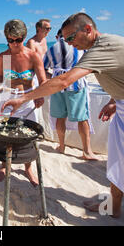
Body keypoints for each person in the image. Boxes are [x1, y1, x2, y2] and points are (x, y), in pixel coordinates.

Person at [2, 13, 124, 226]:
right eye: (65, 39)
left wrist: (24, 98)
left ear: (87, 29)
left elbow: (64, 81)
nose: (68, 43)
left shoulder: (101, 48)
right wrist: (115, 100)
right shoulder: (99, 47)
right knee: (118, 161)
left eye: (70, 38)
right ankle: (113, 206)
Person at [0, 19, 47, 185]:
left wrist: (41, 96)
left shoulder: (32, 56)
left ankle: (28, 168)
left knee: (28, 137)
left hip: (27, 99)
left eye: (17, 40)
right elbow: (2, 78)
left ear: (24, 37)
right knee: (6, 133)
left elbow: (43, 81)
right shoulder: (4, 56)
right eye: (10, 40)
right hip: (8, 98)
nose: (14, 44)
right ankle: (4, 164)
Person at [43, 29, 98, 160]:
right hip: (76, 83)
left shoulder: (52, 48)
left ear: (57, 36)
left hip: (57, 86)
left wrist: (55, 77)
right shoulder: (78, 45)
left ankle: (61, 146)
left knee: (60, 117)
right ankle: (87, 151)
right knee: (82, 118)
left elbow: (44, 68)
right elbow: (89, 65)